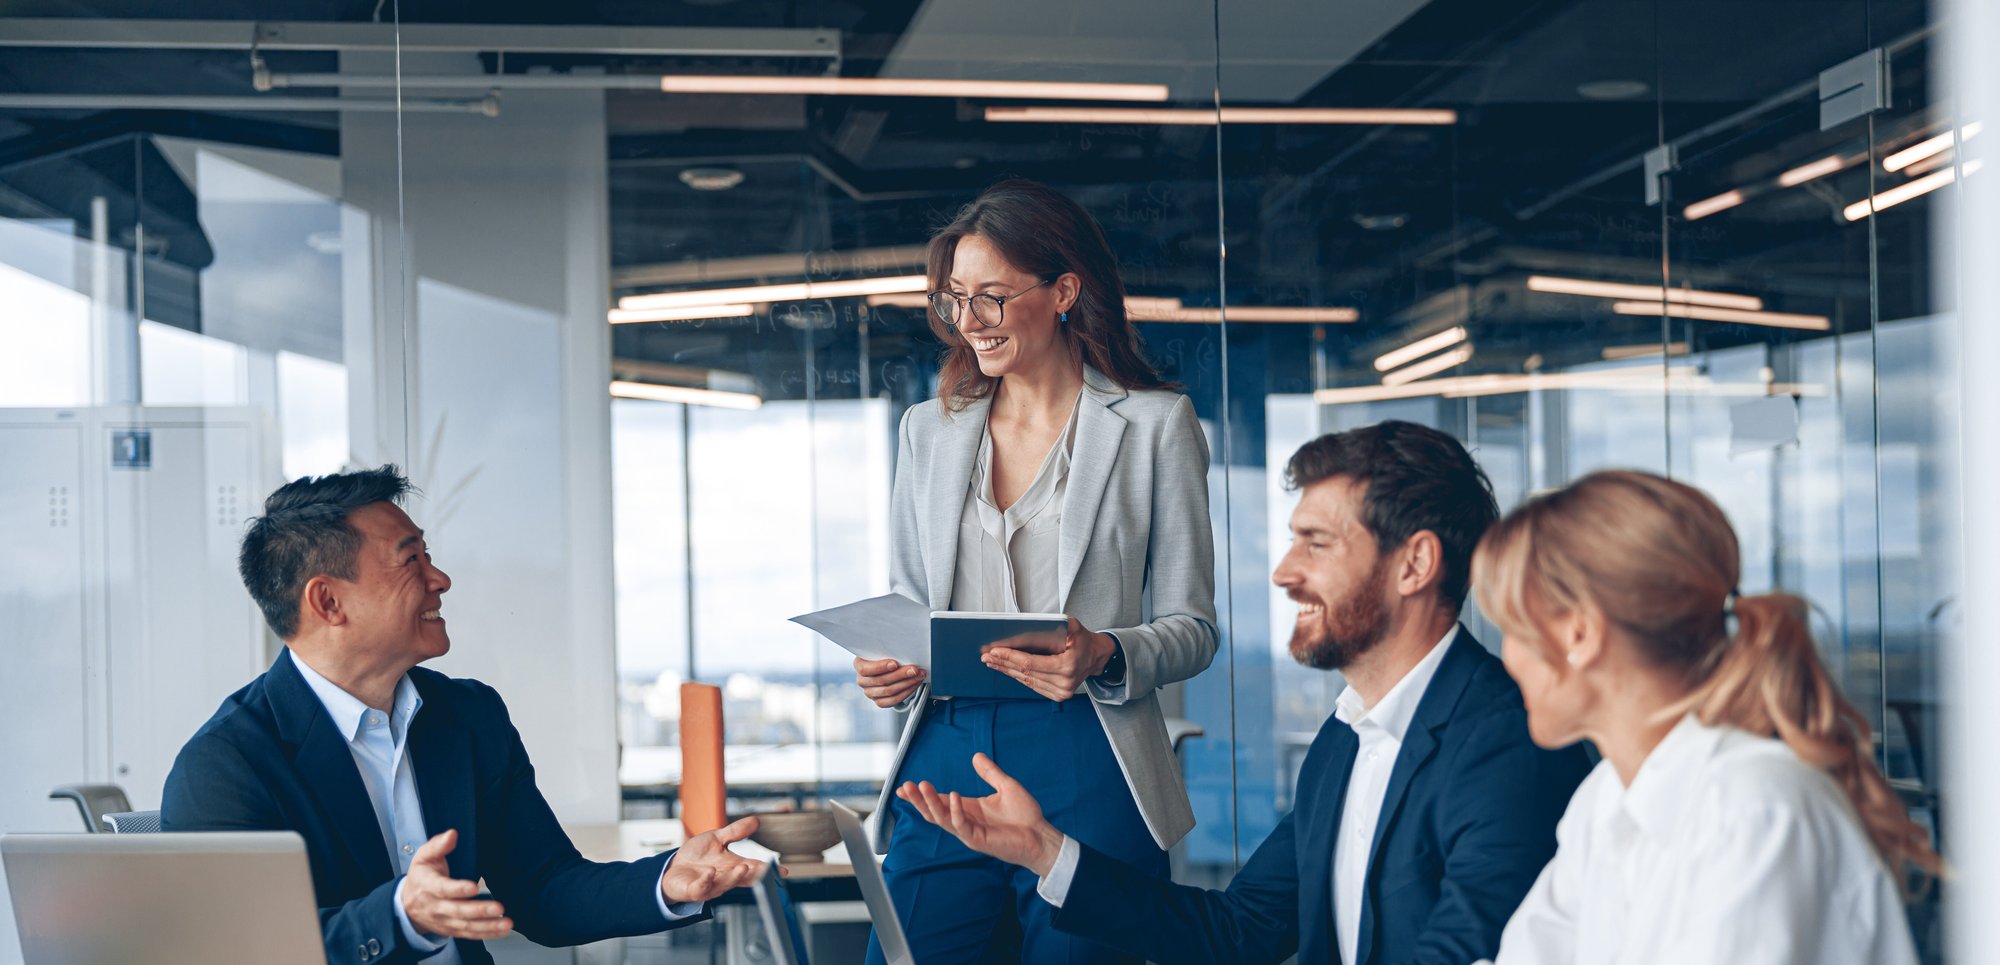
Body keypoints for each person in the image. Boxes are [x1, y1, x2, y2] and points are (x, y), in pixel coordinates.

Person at [897, 421, 1591, 965]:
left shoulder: (1510, 743)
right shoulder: (1345, 743)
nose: (1285, 572)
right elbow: (1238, 934)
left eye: (1316, 544)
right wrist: (1045, 850)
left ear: (1414, 562)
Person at [162, 467, 765, 965]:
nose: (440, 579)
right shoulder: (225, 765)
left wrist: (663, 882)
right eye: (411, 560)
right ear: (327, 600)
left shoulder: (468, 716)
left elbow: (542, 891)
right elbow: (245, 952)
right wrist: (400, 916)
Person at [848, 178, 1218, 964]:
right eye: (954, 300)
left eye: (991, 297)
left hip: (1088, 744)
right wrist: (891, 667)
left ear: (1064, 292)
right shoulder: (929, 431)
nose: (969, 322)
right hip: (944, 746)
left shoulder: (1155, 425)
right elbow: (911, 604)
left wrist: (1106, 653)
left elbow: (1193, 628)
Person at [1471, 469, 1944, 965]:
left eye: (1514, 630)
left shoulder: (1754, 808)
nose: (1508, 659)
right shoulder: (1604, 801)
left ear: (1580, 636)